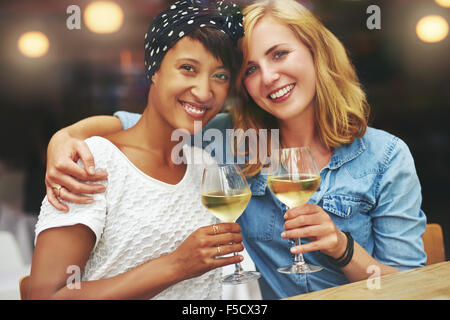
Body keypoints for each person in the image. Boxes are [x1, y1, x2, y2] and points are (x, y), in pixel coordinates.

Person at [44, 0, 427, 299]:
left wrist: (344, 250)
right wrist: (64, 138)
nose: (269, 77)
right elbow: (140, 125)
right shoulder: (227, 140)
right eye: (250, 69)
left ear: (317, 52)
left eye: (279, 54)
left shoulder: (385, 157)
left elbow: (411, 290)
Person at [30, 0, 246, 300]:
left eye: (220, 76)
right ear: (154, 71)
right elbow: (43, 297)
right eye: (187, 68)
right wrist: (176, 265)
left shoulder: (205, 164)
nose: (204, 91)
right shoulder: (94, 162)